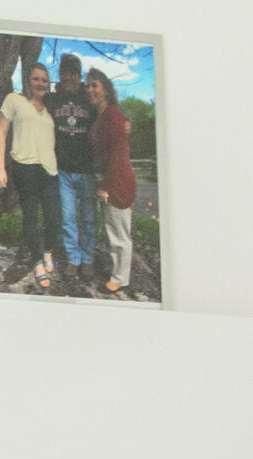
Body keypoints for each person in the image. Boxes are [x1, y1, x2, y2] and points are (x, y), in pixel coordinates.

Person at [0, 64, 60, 287]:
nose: (41, 83)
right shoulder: (14, 100)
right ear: (28, 81)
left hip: (50, 169)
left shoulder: (51, 108)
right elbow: (2, 132)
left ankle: (48, 250)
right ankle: (37, 262)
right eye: (36, 79)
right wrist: (0, 168)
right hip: (24, 167)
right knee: (31, 217)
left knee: (54, 219)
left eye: (44, 80)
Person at [48, 50, 102, 292]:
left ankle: (88, 258)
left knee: (89, 218)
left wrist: (125, 119)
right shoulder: (52, 99)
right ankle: (74, 259)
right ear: (59, 74)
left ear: (79, 75)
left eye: (73, 73)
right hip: (64, 172)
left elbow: (107, 106)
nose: (69, 77)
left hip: (87, 171)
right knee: (68, 218)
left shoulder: (88, 97)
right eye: (65, 72)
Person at [91, 69, 140, 298]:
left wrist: (106, 186)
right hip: (111, 178)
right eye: (88, 86)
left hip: (118, 181)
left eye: (95, 85)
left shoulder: (113, 116)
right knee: (114, 230)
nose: (91, 89)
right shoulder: (103, 115)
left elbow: (117, 156)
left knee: (119, 234)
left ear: (106, 89)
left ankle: (120, 279)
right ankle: (119, 274)